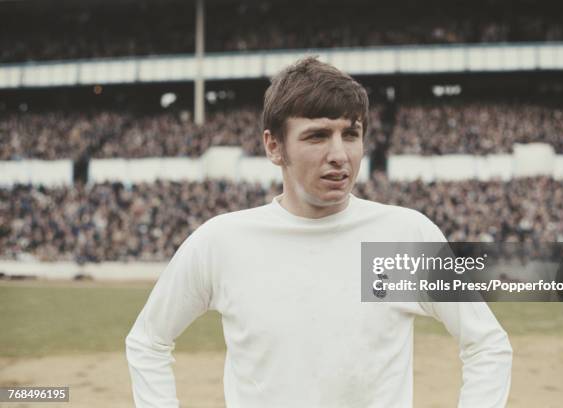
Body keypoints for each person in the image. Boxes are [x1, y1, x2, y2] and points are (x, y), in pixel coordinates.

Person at [125, 56, 512, 407]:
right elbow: (148, 341)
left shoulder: (403, 235)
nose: (340, 154)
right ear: (274, 147)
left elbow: (486, 345)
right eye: (317, 136)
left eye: (351, 134)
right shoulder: (223, 241)